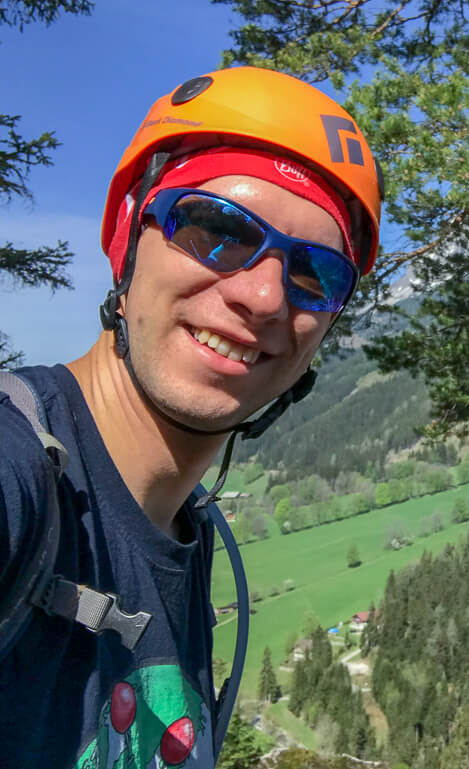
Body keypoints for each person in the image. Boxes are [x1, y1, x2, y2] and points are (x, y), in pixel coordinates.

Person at [0, 66, 382, 768]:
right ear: (127, 232)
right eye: (217, 228)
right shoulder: (20, 471)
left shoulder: (195, 537)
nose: (265, 296)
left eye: (316, 273)